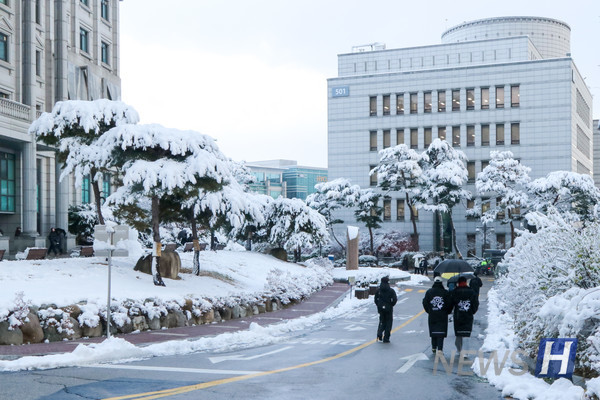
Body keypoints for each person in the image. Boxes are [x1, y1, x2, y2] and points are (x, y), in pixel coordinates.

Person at [423, 276, 452, 354]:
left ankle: (433, 347)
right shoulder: (445, 292)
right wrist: (447, 311)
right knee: (441, 332)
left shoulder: (429, 292)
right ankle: (440, 348)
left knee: (433, 331)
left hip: (432, 314)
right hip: (442, 315)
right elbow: (450, 303)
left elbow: (425, 302)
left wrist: (429, 310)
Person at [450, 276, 479, 353]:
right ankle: (465, 352)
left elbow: (451, 303)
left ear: (458, 283)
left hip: (458, 315)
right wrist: (472, 311)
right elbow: (475, 303)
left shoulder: (455, 292)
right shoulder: (472, 291)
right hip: (468, 315)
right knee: (466, 333)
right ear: (466, 282)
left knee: (459, 334)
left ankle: (459, 349)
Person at [374, 276, 397, 343]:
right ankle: (386, 337)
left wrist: (378, 305)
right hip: (388, 308)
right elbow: (394, 299)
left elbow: (375, 299)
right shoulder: (391, 291)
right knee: (388, 322)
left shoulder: (378, 290)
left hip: (380, 308)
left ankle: (379, 334)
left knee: (382, 321)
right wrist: (391, 304)